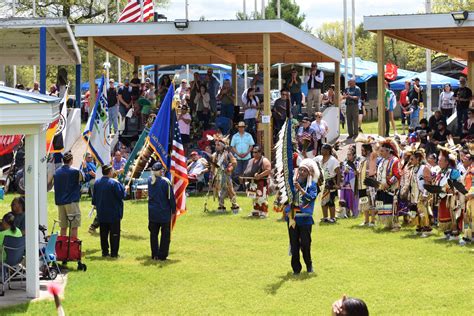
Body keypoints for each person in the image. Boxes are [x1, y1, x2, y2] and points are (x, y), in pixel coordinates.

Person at [285, 158, 319, 275]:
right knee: (294, 244)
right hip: (293, 216)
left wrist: (300, 189)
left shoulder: (312, 185)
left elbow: (311, 198)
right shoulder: (292, 183)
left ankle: (309, 265)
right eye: (300, 170)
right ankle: (296, 269)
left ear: (309, 173)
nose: (302, 172)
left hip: (305, 218)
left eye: (304, 170)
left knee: (305, 243)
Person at [92, 165, 125, 258]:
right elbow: (122, 195)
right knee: (114, 234)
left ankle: (105, 252)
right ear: (110, 172)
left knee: (103, 234)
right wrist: (124, 189)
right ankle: (114, 253)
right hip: (113, 213)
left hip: (102, 213)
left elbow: (94, 200)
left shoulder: (97, 182)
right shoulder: (114, 183)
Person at [147, 162, 176, 261]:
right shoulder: (165, 182)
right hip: (163, 213)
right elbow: (170, 197)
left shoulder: (150, 180)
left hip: (153, 213)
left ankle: (154, 254)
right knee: (165, 235)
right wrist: (174, 209)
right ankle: (162, 255)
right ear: (159, 171)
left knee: (153, 235)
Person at [433, 149, 462, 240]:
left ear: (447, 162)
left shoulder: (453, 172)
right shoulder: (441, 172)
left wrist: (453, 191)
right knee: (444, 216)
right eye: (438, 160)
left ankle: (455, 234)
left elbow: (459, 183)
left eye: (440, 160)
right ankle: (447, 233)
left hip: (451, 198)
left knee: (452, 216)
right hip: (442, 198)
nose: (438, 162)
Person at [53, 152, 83, 238]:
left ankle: (63, 247)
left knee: (63, 227)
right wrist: (84, 168)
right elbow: (83, 179)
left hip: (60, 202)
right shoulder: (76, 171)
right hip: (71, 201)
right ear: (71, 160)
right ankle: (73, 247)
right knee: (74, 226)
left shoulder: (56, 172)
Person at [375, 139, 401, 230]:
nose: (380, 153)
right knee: (385, 206)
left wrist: (388, 183)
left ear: (388, 151)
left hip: (391, 188)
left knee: (393, 206)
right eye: (380, 151)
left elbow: (397, 174)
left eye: (382, 151)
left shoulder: (394, 161)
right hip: (381, 188)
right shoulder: (382, 161)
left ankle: (395, 224)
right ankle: (388, 224)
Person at [211, 136, 240, 213]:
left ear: (223, 146)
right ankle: (221, 206)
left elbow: (234, 162)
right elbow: (213, 166)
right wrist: (212, 176)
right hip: (218, 176)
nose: (216, 146)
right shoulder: (215, 155)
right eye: (216, 145)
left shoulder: (227, 153)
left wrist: (229, 168)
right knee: (219, 190)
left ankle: (235, 205)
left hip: (226, 175)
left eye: (218, 145)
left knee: (230, 190)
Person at [407, 149, 432, 237]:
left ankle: (427, 229)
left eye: (412, 159)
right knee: (416, 211)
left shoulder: (424, 168)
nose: (410, 161)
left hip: (422, 193)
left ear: (418, 159)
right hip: (415, 193)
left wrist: (425, 194)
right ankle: (420, 227)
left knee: (423, 211)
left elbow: (428, 183)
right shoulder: (413, 168)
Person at [315, 144, 341, 223]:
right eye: (321, 149)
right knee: (323, 200)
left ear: (328, 151)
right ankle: (325, 217)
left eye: (323, 149)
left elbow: (338, 173)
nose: (321, 151)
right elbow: (311, 162)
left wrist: (338, 184)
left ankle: (332, 218)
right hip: (322, 182)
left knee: (330, 201)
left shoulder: (333, 160)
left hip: (331, 182)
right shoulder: (319, 158)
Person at [243, 145, 272, 218]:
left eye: (256, 152)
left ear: (260, 153)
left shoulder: (264, 160)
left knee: (262, 198)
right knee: (254, 198)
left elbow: (268, 170)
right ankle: (256, 211)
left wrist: (260, 175)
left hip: (261, 183)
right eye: (253, 152)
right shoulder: (251, 160)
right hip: (252, 183)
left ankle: (264, 212)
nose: (254, 154)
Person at [231, 121, 255, 191]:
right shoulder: (235, 136)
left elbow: (251, 145)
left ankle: (245, 185)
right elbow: (233, 146)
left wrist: (247, 153)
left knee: (246, 172)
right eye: (239, 127)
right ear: (238, 128)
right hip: (238, 157)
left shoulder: (249, 135)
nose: (241, 128)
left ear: (244, 128)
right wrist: (238, 153)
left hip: (247, 156)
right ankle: (241, 185)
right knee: (239, 172)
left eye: (242, 127)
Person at [357, 142, 377, 226]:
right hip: (361, 185)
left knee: (371, 202)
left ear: (368, 151)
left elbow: (373, 172)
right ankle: (366, 221)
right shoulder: (362, 159)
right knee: (364, 202)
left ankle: (372, 221)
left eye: (363, 150)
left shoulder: (372, 159)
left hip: (369, 185)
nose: (361, 152)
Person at [339, 145, 359, 218]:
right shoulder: (345, 163)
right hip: (345, 185)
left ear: (353, 156)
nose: (348, 156)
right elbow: (341, 172)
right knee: (345, 198)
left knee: (353, 199)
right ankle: (346, 213)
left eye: (350, 155)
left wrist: (351, 172)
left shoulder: (356, 163)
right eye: (347, 155)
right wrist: (344, 171)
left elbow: (357, 173)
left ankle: (354, 213)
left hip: (353, 184)